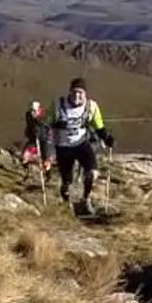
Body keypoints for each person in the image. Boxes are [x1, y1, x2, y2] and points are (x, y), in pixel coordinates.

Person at [50, 77, 113, 215]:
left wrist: (106, 137)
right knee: (67, 181)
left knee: (92, 173)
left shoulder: (91, 107)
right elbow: (47, 123)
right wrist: (42, 130)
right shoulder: (58, 105)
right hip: (63, 147)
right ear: (69, 92)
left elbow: (99, 127)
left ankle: (85, 199)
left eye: (80, 93)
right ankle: (67, 205)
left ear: (85, 94)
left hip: (81, 144)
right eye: (74, 92)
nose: (77, 96)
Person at [22, 99, 53, 173]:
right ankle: (27, 173)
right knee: (25, 156)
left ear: (38, 110)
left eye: (34, 111)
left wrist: (41, 133)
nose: (32, 112)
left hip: (45, 140)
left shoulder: (45, 118)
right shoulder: (28, 115)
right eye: (31, 110)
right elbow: (29, 126)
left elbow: (50, 131)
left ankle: (48, 174)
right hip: (34, 139)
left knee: (46, 161)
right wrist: (29, 133)